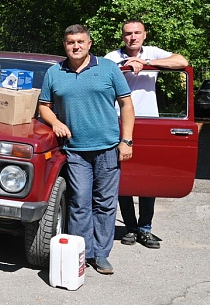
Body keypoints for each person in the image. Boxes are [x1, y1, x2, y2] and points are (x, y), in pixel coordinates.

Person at [38, 24, 135, 275]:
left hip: (108, 148)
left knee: (105, 203)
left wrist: (127, 141)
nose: (76, 46)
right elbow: (44, 107)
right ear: (65, 45)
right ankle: (81, 252)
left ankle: (101, 254)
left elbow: (126, 105)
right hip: (75, 150)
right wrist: (56, 122)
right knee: (80, 203)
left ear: (89, 44)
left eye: (81, 41)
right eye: (71, 42)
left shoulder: (108, 68)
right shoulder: (54, 72)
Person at [104, 19, 189, 249]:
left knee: (148, 177)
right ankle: (130, 228)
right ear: (122, 36)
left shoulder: (152, 52)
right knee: (124, 176)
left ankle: (145, 228)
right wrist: (126, 65)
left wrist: (147, 62)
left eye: (137, 33)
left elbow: (182, 61)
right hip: (119, 122)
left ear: (144, 35)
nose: (132, 37)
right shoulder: (111, 58)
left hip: (151, 122)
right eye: (128, 33)